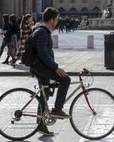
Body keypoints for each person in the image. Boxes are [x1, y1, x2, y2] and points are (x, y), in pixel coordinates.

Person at [31, 7, 71, 137]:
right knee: (65, 79)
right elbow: (43, 54)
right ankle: (57, 109)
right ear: (52, 20)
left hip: (40, 66)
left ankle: (41, 125)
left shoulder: (43, 31)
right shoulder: (42, 32)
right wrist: (55, 68)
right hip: (41, 67)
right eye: (57, 19)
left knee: (45, 94)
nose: (58, 22)